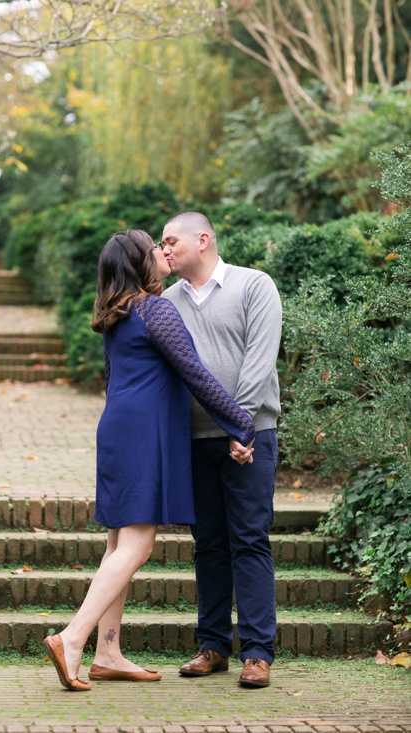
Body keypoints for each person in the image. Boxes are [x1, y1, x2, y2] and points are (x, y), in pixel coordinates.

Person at [43, 229, 256, 692]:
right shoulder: (156, 308)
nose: (163, 252)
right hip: (144, 435)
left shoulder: (115, 314)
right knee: (137, 547)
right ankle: (73, 638)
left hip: (118, 428)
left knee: (117, 547)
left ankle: (108, 652)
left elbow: (117, 378)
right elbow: (195, 373)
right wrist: (242, 422)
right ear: (141, 262)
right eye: (154, 248)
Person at [159, 211, 281, 689]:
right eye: (162, 244)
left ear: (203, 239)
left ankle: (257, 653)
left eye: (171, 241)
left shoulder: (254, 286)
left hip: (251, 437)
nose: (164, 250)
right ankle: (212, 645)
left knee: (249, 540)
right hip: (194, 440)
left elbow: (259, 356)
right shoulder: (167, 301)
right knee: (208, 544)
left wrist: (242, 425)